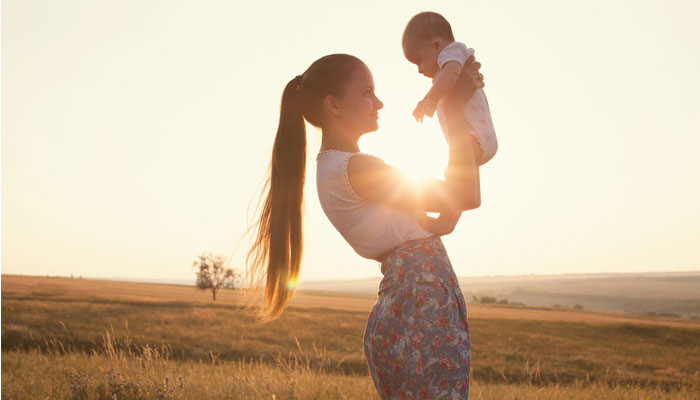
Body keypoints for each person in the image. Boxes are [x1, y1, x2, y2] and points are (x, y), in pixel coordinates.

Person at [247, 53, 484, 399]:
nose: (380, 102)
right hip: (422, 307)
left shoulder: (333, 171)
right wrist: (456, 108)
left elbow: (449, 209)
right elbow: (463, 194)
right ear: (334, 106)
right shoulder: (355, 170)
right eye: (367, 92)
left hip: (407, 305)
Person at [403, 11, 498, 167]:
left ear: (437, 45)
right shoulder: (443, 73)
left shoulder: (452, 52)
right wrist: (424, 101)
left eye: (419, 61)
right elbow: (440, 85)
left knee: (460, 168)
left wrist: (432, 101)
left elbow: (451, 74)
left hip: (475, 135)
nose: (419, 70)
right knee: (461, 172)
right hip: (471, 137)